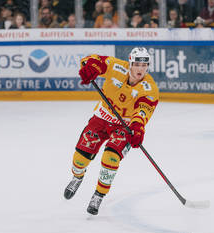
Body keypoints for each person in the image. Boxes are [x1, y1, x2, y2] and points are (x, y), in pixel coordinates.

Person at [64, 47, 159, 215]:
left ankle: (99, 195)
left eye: (144, 65)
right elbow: (91, 60)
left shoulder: (149, 88)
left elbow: (142, 112)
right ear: (130, 63)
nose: (140, 69)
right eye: (137, 64)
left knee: (111, 158)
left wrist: (137, 129)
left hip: (124, 126)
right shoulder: (117, 67)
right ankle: (78, 176)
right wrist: (92, 68)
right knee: (80, 159)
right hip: (101, 118)